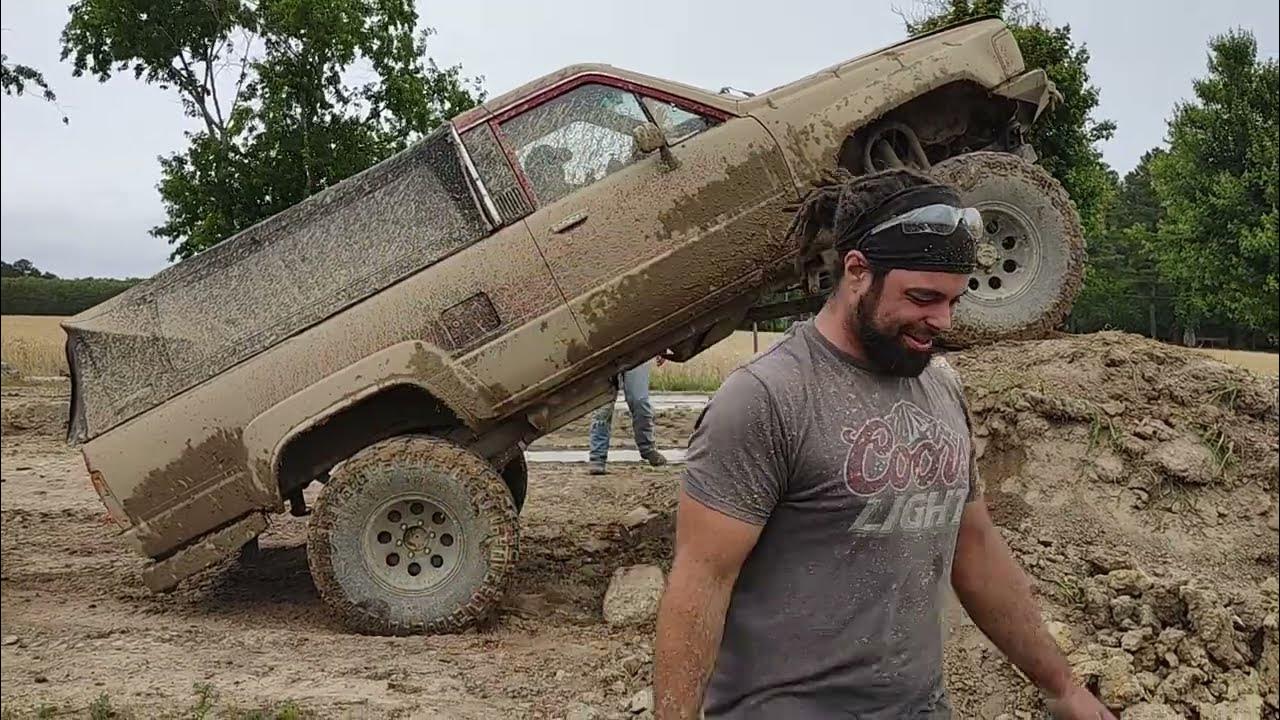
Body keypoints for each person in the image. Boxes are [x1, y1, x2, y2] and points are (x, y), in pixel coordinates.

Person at [653, 169, 1114, 720]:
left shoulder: (940, 386)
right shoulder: (767, 398)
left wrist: (1062, 687)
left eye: (952, 301)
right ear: (857, 272)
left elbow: (975, 547)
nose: (940, 320)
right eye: (922, 298)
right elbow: (701, 583)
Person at [588, 358, 670, 475]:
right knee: (603, 407)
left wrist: (661, 348)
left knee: (640, 402)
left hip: (638, 351)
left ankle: (648, 449)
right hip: (606, 354)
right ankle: (597, 457)